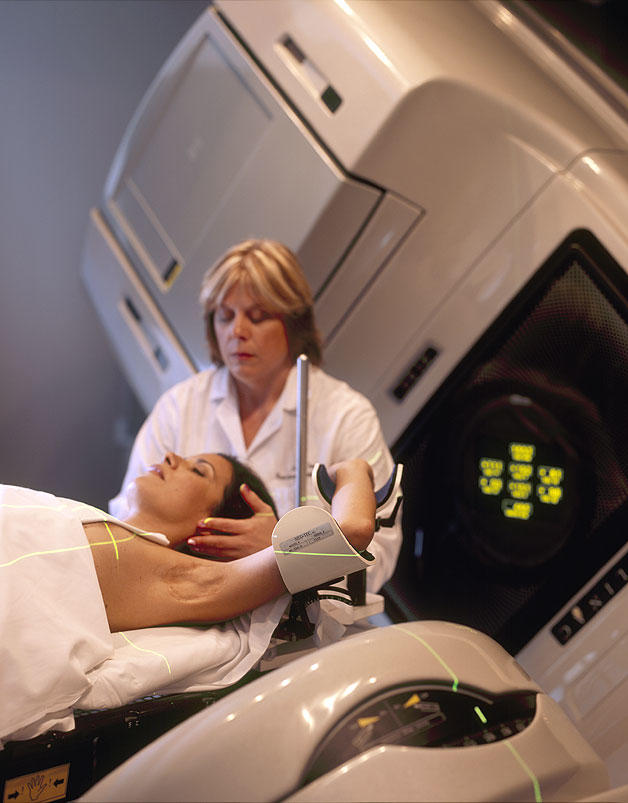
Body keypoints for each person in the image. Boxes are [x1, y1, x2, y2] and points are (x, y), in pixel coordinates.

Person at [110, 239, 401, 592]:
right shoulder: (180, 407)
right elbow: (128, 514)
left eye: (258, 316)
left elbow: (377, 555)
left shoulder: (346, 416)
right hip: (189, 602)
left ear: (294, 324)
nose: (238, 331)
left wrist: (283, 553)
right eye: (225, 316)